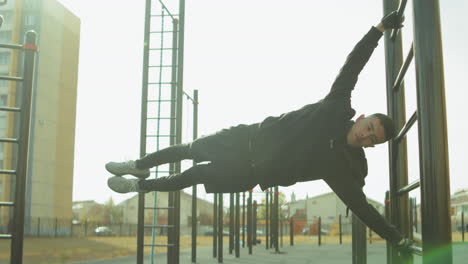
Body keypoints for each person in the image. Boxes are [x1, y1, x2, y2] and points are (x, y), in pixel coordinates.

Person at [106, 11, 412, 250]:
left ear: (370, 147)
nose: (366, 135)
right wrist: (378, 30)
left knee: (195, 174)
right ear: (361, 117)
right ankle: (139, 166)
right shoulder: (336, 105)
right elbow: (353, 65)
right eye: (369, 127)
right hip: (246, 137)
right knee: (191, 149)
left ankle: (140, 187)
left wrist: (395, 237)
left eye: (373, 139)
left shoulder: (340, 167)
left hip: (250, 173)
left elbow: (361, 207)